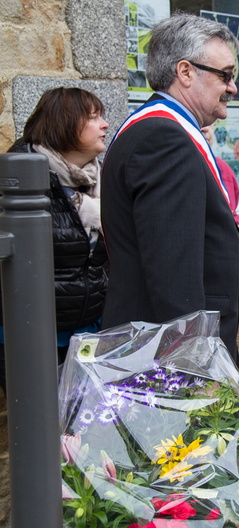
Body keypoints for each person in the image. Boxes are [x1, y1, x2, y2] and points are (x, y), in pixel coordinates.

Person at [101, 14, 239, 372]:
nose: (233, 87)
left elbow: (183, 237)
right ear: (186, 72)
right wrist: (199, 371)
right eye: (226, 75)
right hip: (171, 362)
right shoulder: (165, 139)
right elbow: (173, 275)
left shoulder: (162, 130)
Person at [0, 87, 110, 394]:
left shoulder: (100, 179)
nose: (104, 124)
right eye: (93, 117)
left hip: (87, 331)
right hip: (30, 338)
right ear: (64, 123)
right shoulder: (19, 178)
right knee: (42, 419)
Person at [201, 124, 239, 243]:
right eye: (196, 119)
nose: (205, 129)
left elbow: (230, 213)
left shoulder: (221, 167)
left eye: (209, 123)